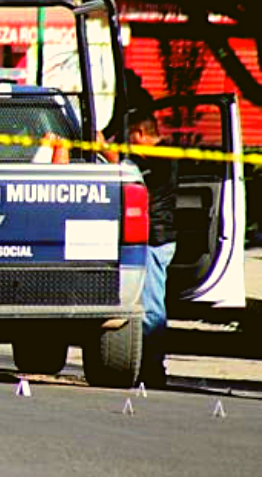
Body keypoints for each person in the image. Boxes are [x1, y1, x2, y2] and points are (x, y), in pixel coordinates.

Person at [101, 109, 177, 387]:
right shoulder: (160, 155)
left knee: (152, 309)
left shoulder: (161, 156)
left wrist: (105, 149)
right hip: (157, 238)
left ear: (141, 134)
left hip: (155, 240)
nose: (128, 142)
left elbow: (126, 167)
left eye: (130, 136)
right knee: (147, 304)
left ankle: (153, 370)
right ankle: (149, 366)